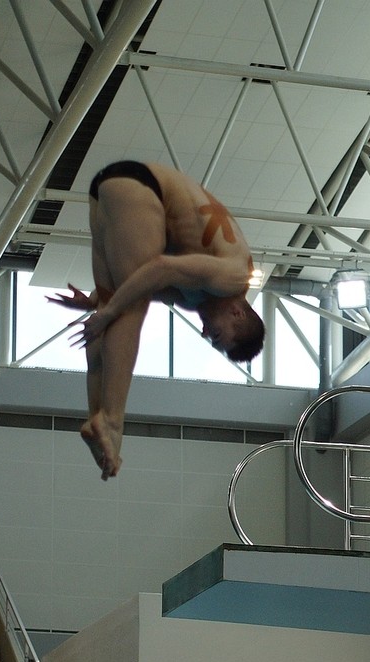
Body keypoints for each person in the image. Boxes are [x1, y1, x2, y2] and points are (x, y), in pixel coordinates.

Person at [52, 160, 264, 480]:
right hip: (145, 188)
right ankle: (111, 422)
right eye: (217, 335)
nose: (205, 332)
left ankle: (96, 416)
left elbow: (139, 281)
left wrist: (96, 302)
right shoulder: (233, 277)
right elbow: (161, 268)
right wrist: (108, 312)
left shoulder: (196, 298)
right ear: (238, 312)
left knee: (114, 304)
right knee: (125, 308)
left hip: (109, 187)